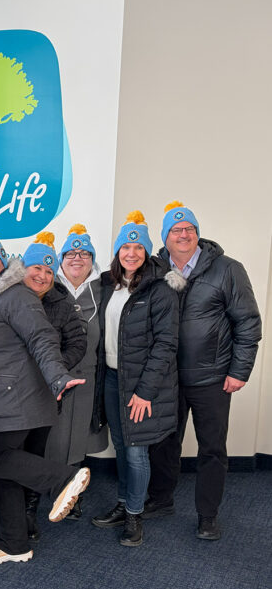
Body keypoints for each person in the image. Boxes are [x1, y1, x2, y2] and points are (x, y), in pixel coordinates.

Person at [0, 233, 90, 565]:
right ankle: (15, 544)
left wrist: (58, 376)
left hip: (16, 397)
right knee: (5, 469)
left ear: (4, 262)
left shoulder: (17, 296)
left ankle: (62, 479)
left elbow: (42, 338)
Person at [145, 202, 261, 540]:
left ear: (197, 234)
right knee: (164, 443)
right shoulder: (153, 270)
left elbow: (248, 323)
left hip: (213, 377)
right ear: (165, 237)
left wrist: (240, 370)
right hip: (167, 378)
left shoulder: (227, 269)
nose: (183, 235)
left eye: (189, 229)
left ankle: (207, 515)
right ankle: (161, 499)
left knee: (212, 448)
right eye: (176, 230)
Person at [91, 212, 182, 547]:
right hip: (113, 380)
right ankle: (122, 501)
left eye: (138, 247)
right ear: (117, 252)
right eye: (125, 247)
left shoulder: (160, 289)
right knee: (120, 445)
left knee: (135, 452)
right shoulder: (108, 285)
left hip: (142, 387)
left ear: (147, 252)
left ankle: (134, 515)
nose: (131, 253)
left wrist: (144, 392)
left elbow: (166, 344)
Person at [19, 232, 87, 538]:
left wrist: (53, 368)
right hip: (8, 395)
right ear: (23, 270)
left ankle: (29, 512)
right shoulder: (8, 297)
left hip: (45, 394)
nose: (43, 276)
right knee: (10, 455)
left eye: (49, 271)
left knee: (34, 453)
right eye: (36, 269)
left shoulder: (63, 302)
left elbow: (78, 343)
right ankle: (7, 513)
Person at [45, 223, 109, 515]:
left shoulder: (104, 289)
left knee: (77, 436)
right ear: (60, 259)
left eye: (84, 253)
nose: (77, 258)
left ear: (92, 259)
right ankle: (50, 485)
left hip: (88, 375)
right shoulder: (49, 287)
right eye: (70, 253)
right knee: (53, 434)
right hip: (53, 375)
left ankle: (73, 490)